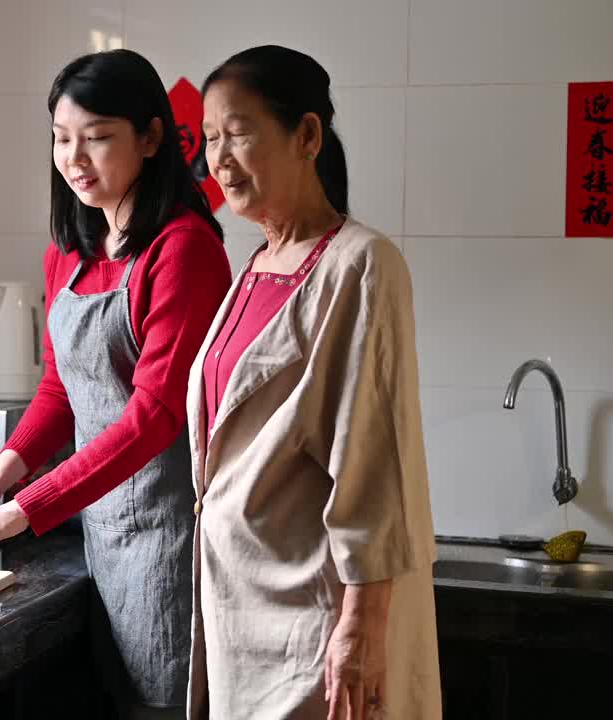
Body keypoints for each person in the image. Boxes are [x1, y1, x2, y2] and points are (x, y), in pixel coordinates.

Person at [0, 49, 231, 717]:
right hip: (99, 533)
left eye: (97, 139)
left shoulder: (185, 249)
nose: (75, 159)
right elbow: (61, 393)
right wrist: (1, 475)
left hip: (170, 538)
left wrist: (22, 510)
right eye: (62, 140)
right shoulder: (68, 250)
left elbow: (154, 417)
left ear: (151, 139)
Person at [187, 44, 441, 719]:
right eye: (211, 138)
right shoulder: (254, 264)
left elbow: (376, 456)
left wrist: (361, 624)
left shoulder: (362, 263)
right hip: (243, 608)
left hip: (317, 613)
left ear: (306, 135)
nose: (219, 158)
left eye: (238, 133)